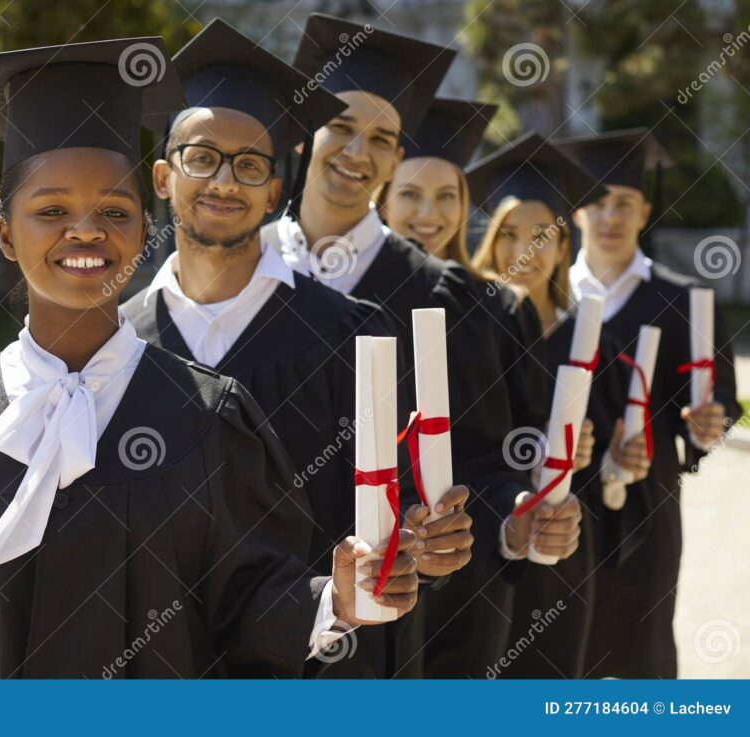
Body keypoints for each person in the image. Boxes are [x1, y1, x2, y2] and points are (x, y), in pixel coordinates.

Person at [0, 38, 420, 679]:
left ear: (142, 225)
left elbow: (245, 607)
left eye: (114, 211)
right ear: (5, 231)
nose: (86, 231)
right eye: (51, 210)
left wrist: (334, 602)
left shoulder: (212, 417)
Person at [121, 20, 471, 677]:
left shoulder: (351, 335)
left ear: (275, 188)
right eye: (202, 158)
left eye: (250, 164)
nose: (225, 181)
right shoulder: (117, 346)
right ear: (164, 177)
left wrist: (426, 542)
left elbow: (399, 515)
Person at [261, 13, 584, 678]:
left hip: (387, 619)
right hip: (241, 606)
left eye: (381, 138)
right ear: (305, 132)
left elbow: (482, 462)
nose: (358, 151)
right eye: (342, 127)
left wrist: (512, 516)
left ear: (397, 155)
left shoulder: (443, 297)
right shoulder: (242, 271)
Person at [556, 128, 742, 678]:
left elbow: (716, 404)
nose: (610, 217)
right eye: (598, 202)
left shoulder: (680, 300)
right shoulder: (549, 302)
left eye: (625, 205)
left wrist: (710, 426)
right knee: (563, 649)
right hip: (561, 509)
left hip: (648, 508)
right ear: (576, 211)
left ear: (645, 212)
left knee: (645, 649)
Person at [468, 132, 652, 677]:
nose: (523, 250)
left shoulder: (594, 343)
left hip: (567, 538)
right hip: (483, 541)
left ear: (563, 245)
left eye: (540, 235)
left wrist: (615, 458)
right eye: (508, 234)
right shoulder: (468, 333)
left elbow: (619, 468)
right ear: (490, 240)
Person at [374, 96, 547, 442]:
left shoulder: (501, 308)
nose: (428, 214)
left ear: (463, 204)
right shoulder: (347, 298)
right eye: (409, 194)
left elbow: (529, 428)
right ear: (383, 201)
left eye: (446, 196)